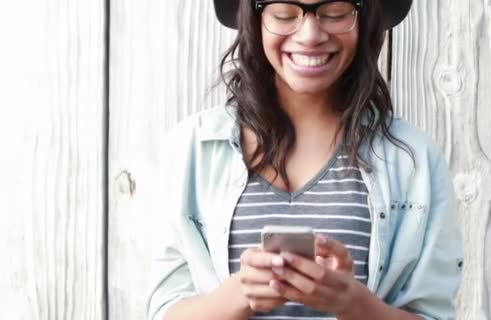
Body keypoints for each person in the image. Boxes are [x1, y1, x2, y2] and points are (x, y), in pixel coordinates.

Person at [146, 0, 462, 319]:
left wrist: (353, 303)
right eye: (284, 13)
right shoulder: (192, 149)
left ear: (364, 18)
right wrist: (240, 293)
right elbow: (162, 311)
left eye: (336, 12)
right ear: (254, 19)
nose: (310, 35)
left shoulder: (414, 160)